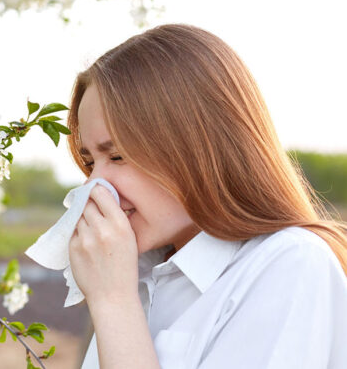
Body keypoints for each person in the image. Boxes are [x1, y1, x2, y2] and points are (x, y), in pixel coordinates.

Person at [65, 23, 347, 369]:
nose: (95, 185)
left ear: (197, 147)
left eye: (118, 156)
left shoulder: (289, 264)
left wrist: (113, 302)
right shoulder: (136, 273)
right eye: (90, 162)